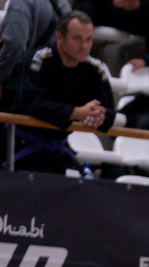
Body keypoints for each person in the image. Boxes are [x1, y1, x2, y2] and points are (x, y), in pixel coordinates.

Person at [9, 11, 115, 174]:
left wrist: (99, 116)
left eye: (89, 39)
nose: (84, 46)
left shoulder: (95, 68)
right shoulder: (38, 59)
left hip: (57, 150)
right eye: (77, 38)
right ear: (59, 37)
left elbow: (110, 112)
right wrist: (76, 113)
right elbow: (30, 103)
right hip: (21, 146)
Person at [0, 0, 72, 108]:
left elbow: (15, 44)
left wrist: (0, 76)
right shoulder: (63, 4)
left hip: (23, 91)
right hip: (53, 94)